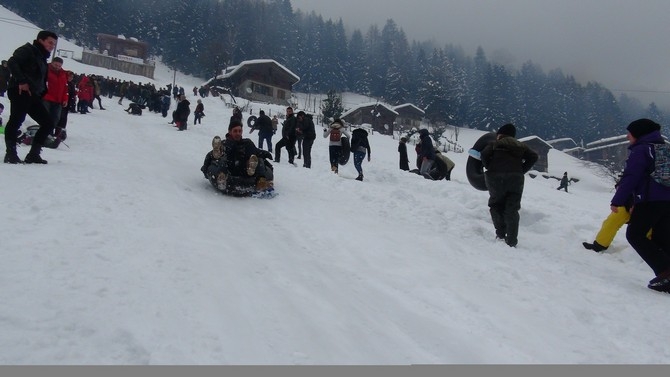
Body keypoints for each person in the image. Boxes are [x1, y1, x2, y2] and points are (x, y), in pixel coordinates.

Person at [609, 118, 670, 292]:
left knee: (635, 234)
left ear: (639, 134)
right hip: (667, 201)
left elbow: (631, 177)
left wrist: (618, 200)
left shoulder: (642, 150)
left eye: (630, 133)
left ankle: (666, 273)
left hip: (650, 200)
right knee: (662, 238)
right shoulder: (664, 148)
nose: (628, 136)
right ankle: (665, 276)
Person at [3, 30, 59, 164]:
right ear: (41, 40)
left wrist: (42, 92)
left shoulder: (42, 57)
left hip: (33, 94)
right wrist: (22, 81)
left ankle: (33, 154)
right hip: (20, 90)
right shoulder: (28, 50)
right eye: (50, 42)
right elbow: (12, 62)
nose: (52, 46)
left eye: (54, 44)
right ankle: (10, 153)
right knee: (16, 120)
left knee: (48, 123)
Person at [480, 123, 539, 247]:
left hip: (496, 178)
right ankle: (511, 240)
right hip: (515, 180)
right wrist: (521, 169)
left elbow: (484, 155)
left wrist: (489, 166)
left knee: (496, 205)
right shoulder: (521, 146)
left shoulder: (495, 144)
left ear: (500, 134)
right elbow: (534, 156)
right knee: (512, 209)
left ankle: (501, 234)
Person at [201, 120, 274, 196]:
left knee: (258, 159)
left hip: (245, 171)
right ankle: (221, 178)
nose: (238, 133)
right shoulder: (224, 144)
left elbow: (256, 151)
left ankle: (259, 179)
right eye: (235, 131)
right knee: (221, 159)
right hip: (230, 171)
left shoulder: (247, 143)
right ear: (230, 132)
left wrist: (265, 153)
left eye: (240, 131)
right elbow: (210, 156)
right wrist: (206, 170)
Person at [42, 57, 68, 136]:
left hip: (58, 100)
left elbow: (65, 88)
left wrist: (65, 99)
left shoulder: (63, 74)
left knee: (56, 117)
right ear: (52, 63)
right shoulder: (46, 70)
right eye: (56, 65)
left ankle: (50, 132)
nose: (57, 67)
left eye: (59, 66)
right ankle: (44, 133)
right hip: (46, 98)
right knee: (45, 116)